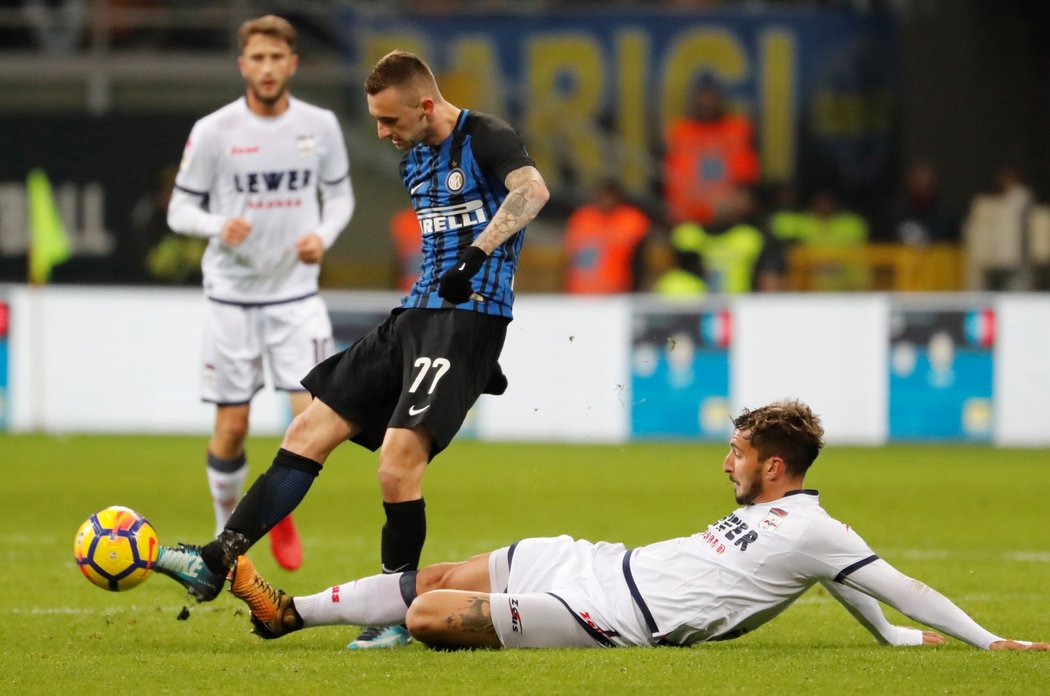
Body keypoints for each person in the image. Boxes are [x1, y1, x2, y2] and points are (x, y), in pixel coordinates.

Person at [155, 49, 550, 650]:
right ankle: (218, 557)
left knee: (396, 465)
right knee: (307, 429)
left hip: (468, 320)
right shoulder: (414, 159)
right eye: (376, 121)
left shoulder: (486, 136)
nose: (382, 133)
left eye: (390, 121)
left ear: (424, 104)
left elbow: (532, 192)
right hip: (414, 315)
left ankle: (394, 609)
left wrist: (478, 253)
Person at [222, 400, 1048, 653]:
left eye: (737, 453)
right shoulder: (789, 526)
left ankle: (333, 619)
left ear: (772, 466)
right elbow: (842, 586)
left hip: (611, 618)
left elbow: (890, 583)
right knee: (436, 578)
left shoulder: (814, 526)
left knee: (427, 618)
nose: (726, 464)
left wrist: (984, 643)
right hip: (597, 562)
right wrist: (893, 642)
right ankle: (285, 613)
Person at [163, 15, 354, 572]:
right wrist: (217, 225)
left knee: (312, 423)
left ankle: (272, 500)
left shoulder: (319, 125)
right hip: (232, 300)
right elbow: (179, 208)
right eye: (258, 58)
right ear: (242, 64)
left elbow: (340, 198)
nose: (267, 68)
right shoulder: (215, 130)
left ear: (292, 64)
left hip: (296, 299)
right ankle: (233, 535)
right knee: (232, 428)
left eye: (277, 58)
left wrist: (324, 234)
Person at [662, 74, 760, 227]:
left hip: (728, 219)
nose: (707, 102)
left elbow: (748, 181)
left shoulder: (737, 129)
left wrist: (737, 200)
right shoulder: (680, 132)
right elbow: (671, 178)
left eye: (711, 95)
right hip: (689, 219)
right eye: (703, 96)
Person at [664, 187, 785, 294]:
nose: (719, 202)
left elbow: (770, 283)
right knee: (675, 285)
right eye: (711, 194)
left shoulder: (750, 237)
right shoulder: (686, 235)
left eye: (725, 194)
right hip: (694, 307)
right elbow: (664, 276)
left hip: (739, 306)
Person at [563, 181, 650, 294]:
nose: (606, 201)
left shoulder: (631, 220)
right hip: (580, 290)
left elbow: (639, 259)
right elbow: (570, 257)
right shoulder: (583, 217)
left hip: (616, 289)